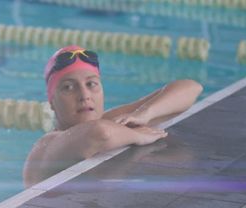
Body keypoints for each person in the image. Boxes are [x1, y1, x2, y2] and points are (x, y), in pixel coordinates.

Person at [23, 45, 203, 188]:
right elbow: (100, 133)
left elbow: (190, 88)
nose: (84, 95)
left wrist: (144, 113)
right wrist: (138, 135)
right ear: (52, 101)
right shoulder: (47, 146)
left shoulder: (112, 121)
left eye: (91, 84)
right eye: (68, 87)